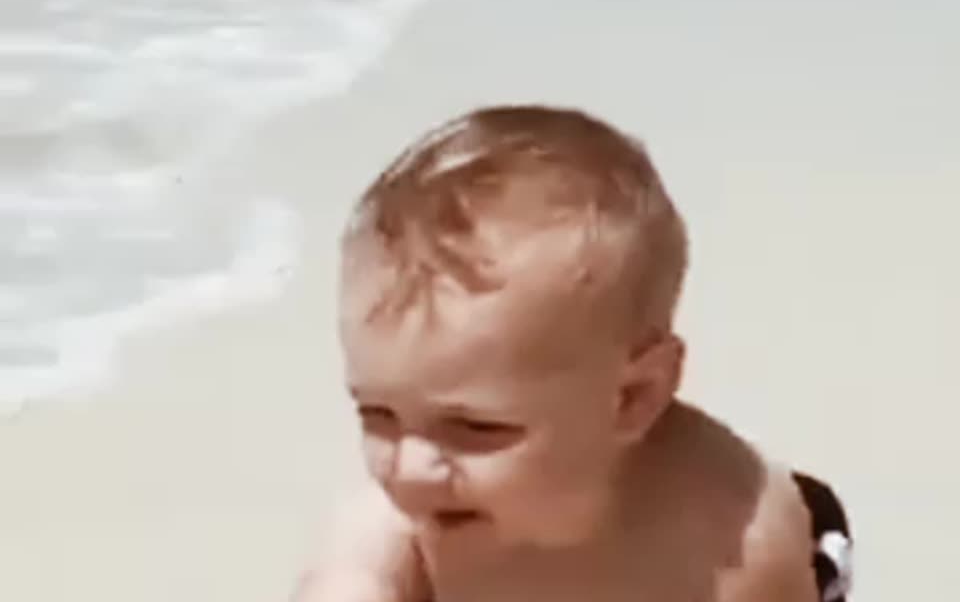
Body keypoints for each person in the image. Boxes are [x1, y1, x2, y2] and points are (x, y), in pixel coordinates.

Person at [292, 105, 853, 601]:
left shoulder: (730, 542)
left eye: (474, 427)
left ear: (632, 398)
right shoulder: (403, 519)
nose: (408, 468)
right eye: (378, 415)